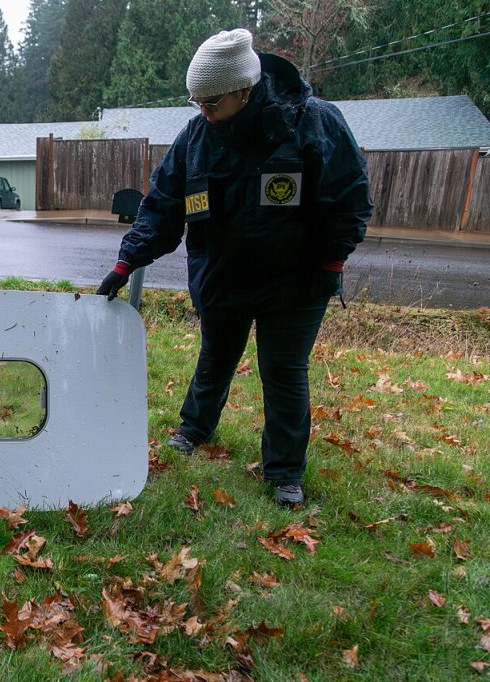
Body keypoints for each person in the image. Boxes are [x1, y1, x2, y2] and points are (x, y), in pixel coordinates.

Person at [97, 29, 372, 507]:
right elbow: (162, 205)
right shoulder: (197, 137)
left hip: (296, 281)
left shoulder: (312, 123)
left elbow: (349, 198)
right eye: (195, 101)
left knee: (284, 371)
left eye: (212, 102)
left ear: (244, 90)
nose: (202, 112)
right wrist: (127, 261)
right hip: (222, 276)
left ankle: (285, 471)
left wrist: (332, 260)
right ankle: (194, 428)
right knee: (216, 356)